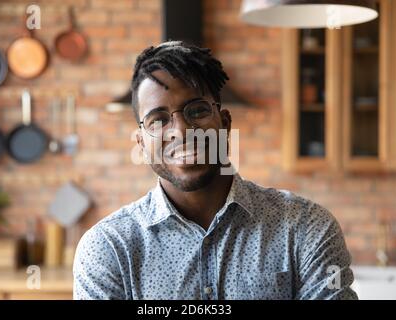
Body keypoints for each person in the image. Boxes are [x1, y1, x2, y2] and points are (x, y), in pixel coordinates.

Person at [73, 41, 357, 300]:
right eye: (158, 120)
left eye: (196, 111)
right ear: (141, 142)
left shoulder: (306, 227)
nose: (181, 131)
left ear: (224, 123)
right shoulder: (108, 248)